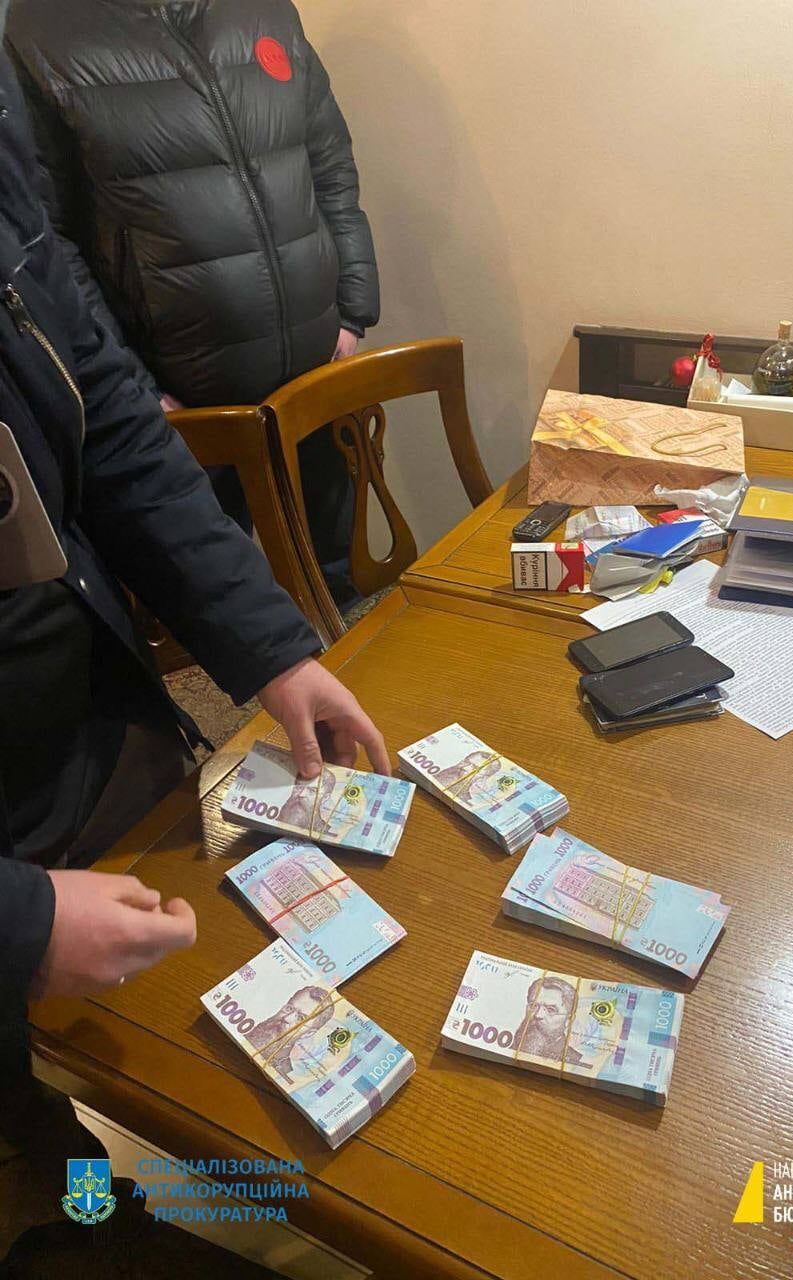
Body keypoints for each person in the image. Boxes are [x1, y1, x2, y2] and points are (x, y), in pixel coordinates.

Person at [0, 31, 388, 1275]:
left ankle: (84, 1194)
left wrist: (274, 649)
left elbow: (113, 427)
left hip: (69, 710)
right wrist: (14, 921)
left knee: (137, 1067)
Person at [6, 0, 380, 607]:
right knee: (223, 604)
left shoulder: (264, 10)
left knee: (341, 583)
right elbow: (51, 237)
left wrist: (353, 311)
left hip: (318, 365)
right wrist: (128, 382)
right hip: (182, 397)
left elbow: (329, 163)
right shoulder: (41, 29)